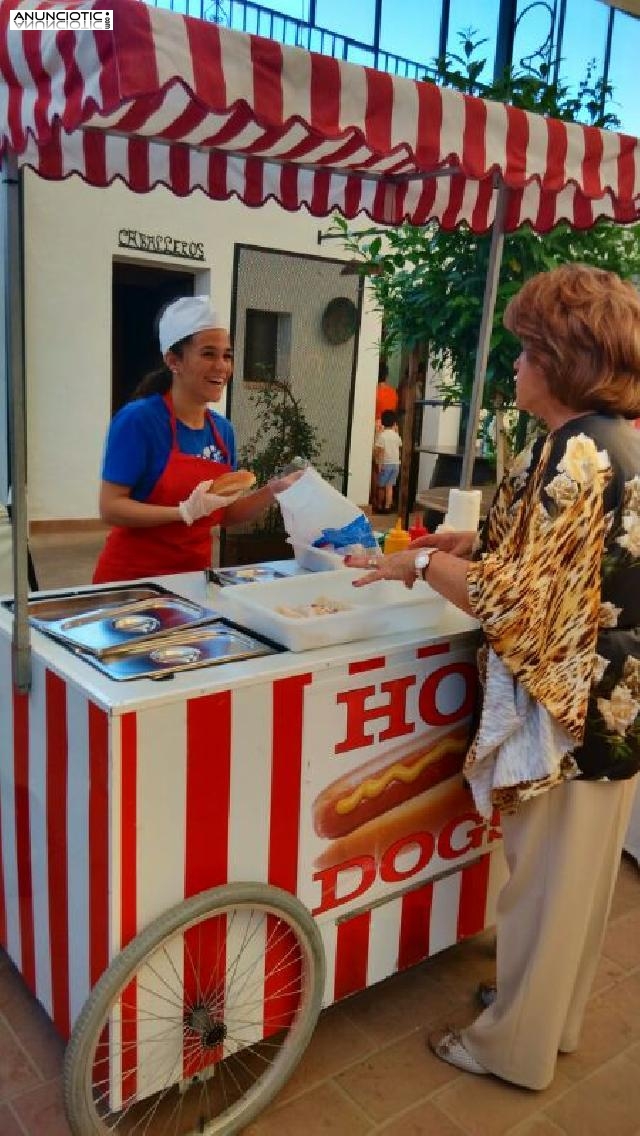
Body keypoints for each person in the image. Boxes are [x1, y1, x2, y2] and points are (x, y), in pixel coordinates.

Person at [346, 264, 640, 1091]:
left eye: (526, 349)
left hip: (573, 705)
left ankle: (511, 1048)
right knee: (576, 892)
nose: (515, 365)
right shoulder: (605, 437)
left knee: (544, 889)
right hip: (609, 705)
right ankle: (552, 1021)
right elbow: (557, 559)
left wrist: (415, 565)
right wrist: (459, 546)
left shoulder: (580, 449)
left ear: (564, 356)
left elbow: (521, 598)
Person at [93, 297, 297, 583]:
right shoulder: (139, 421)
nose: (221, 366)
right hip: (132, 581)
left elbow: (224, 513)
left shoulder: (223, 431)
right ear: (173, 361)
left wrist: (274, 490)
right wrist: (183, 512)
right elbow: (111, 507)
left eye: (227, 356)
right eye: (208, 354)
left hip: (192, 581)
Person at [373, 409, 402, 513]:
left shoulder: (382, 436)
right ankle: (387, 506)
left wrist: (379, 464)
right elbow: (399, 448)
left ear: (382, 422)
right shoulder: (396, 436)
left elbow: (380, 451)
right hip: (395, 464)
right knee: (389, 487)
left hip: (385, 464)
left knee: (381, 486)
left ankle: (380, 506)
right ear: (394, 422)